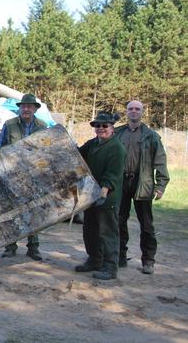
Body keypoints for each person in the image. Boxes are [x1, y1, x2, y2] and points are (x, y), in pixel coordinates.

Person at [114, 100, 170, 274]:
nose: (133, 111)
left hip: (143, 183)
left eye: (137, 109)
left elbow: (160, 161)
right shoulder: (117, 133)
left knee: (146, 224)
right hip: (121, 183)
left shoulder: (151, 135)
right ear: (126, 112)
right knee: (119, 221)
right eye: (130, 109)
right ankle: (120, 257)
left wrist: (160, 185)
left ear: (142, 112)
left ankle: (148, 261)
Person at [0, 93, 48, 261]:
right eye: (23, 106)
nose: (26, 109)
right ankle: (10, 246)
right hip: (12, 174)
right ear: (19, 108)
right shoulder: (9, 125)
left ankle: (33, 247)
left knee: (34, 210)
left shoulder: (42, 126)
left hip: (33, 175)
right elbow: (1, 148)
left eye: (29, 106)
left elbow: (46, 151)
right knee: (11, 210)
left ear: (35, 109)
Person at [76, 111, 126, 280]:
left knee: (108, 232)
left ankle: (110, 267)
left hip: (107, 197)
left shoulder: (116, 148)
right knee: (89, 230)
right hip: (90, 194)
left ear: (112, 128)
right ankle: (94, 260)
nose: (101, 128)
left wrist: (103, 191)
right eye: (97, 125)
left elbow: (113, 174)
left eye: (105, 126)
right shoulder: (93, 143)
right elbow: (78, 153)